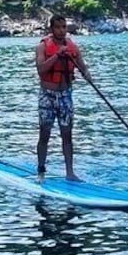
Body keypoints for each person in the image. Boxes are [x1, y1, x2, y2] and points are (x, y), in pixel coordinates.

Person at [35, 14, 91, 183]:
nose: (61, 30)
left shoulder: (72, 47)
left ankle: (70, 173)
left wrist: (87, 74)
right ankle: (41, 172)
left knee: (67, 135)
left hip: (66, 95)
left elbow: (82, 66)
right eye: (58, 27)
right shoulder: (42, 46)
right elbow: (41, 69)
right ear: (51, 29)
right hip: (47, 95)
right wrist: (57, 56)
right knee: (44, 134)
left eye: (64, 27)